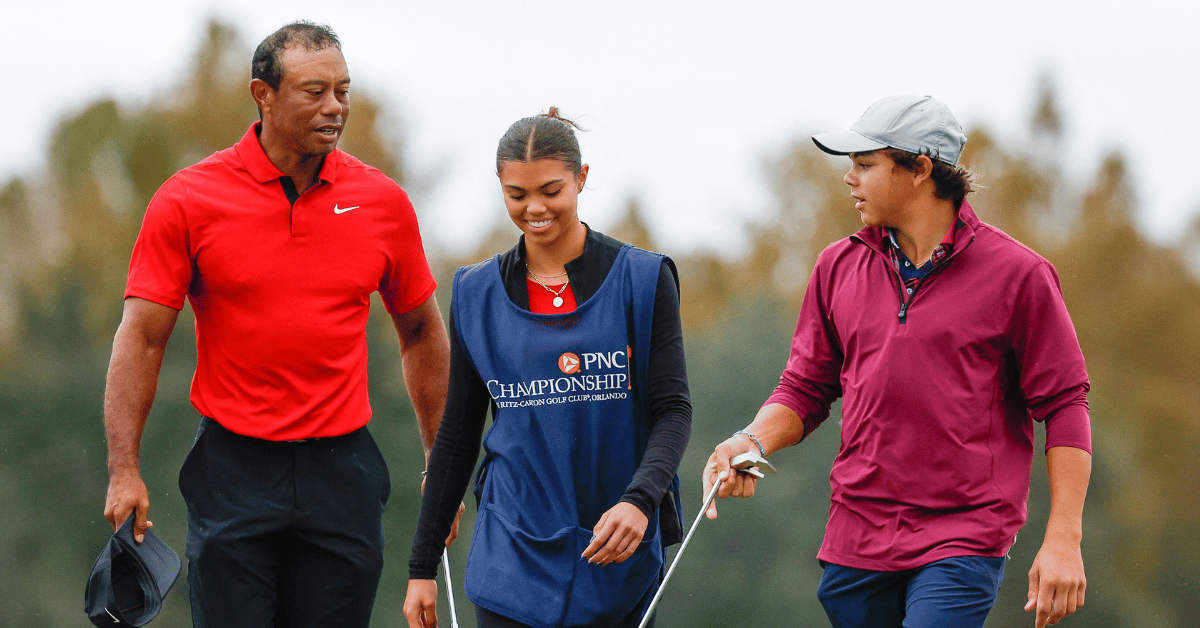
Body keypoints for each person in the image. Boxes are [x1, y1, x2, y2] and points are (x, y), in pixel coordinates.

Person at [102, 21, 452, 628]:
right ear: (262, 95)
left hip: (342, 473)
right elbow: (142, 335)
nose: (335, 107)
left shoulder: (383, 203)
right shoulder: (189, 199)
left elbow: (421, 330)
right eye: (314, 92)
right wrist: (123, 468)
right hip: (233, 471)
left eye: (343, 91)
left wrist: (439, 465)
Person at [702, 95, 1092, 628]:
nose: (849, 179)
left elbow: (1066, 404)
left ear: (920, 169)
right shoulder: (837, 266)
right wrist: (749, 441)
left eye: (866, 165)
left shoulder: (1019, 275)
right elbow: (805, 388)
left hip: (963, 536)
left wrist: (1064, 540)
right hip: (855, 536)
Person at [403, 108, 692, 628]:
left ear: (582, 179)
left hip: (615, 549)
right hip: (510, 555)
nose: (534, 207)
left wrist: (640, 500)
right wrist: (422, 565)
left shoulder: (645, 280)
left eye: (551, 190)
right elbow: (458, 433)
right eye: (517, 195)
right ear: (501, 187)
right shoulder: (474, 293)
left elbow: (672, 411)